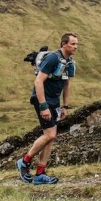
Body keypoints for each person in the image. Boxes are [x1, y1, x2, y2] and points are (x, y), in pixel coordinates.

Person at [16, 33, 78, 185]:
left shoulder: (69, 62)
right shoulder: (52, 58)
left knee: (51, 137)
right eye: (73, 44)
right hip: (42, 100)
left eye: (77, 44)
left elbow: (66, 84)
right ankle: (24, 161)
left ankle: (40, 174)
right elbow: (38, 81)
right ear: (64, 44)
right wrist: (43, 106)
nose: (76, 47)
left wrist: (65, 106)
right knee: (50, 134)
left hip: (54, 103)